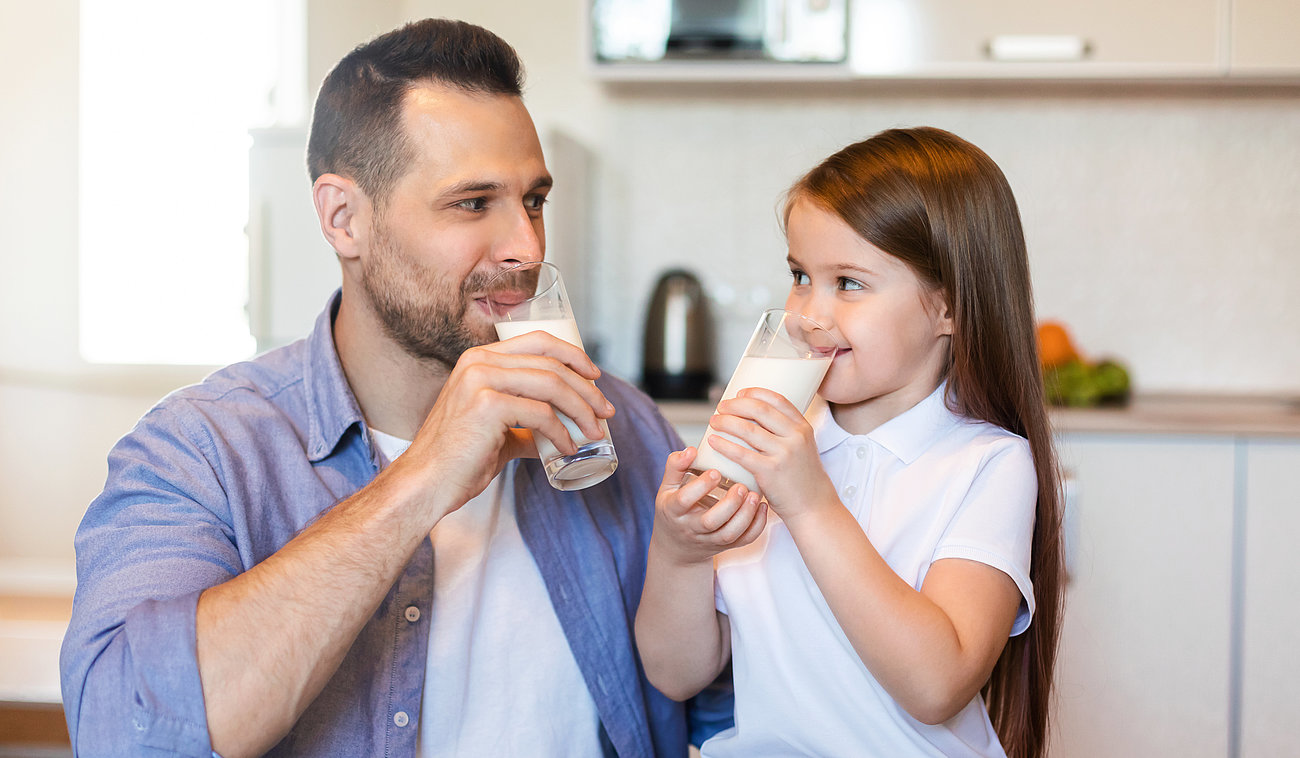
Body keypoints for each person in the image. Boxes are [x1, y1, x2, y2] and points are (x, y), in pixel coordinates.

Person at [60, 18, 730, 758]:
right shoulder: (200, 452)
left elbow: (727, 705)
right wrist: (424, 476)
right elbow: (127, 735)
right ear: (343, 219)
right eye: (473, 204)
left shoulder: (622, 427)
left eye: (533, 200)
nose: (528, 248)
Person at [634, 127, 1064, 758]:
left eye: (849, 283)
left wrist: (811, 505)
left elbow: (937, 684)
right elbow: (675, 674)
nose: (808, 314)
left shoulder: (986, 465)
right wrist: (680, 554)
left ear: (948, 307)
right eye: (800, 275)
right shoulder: (770, 450)